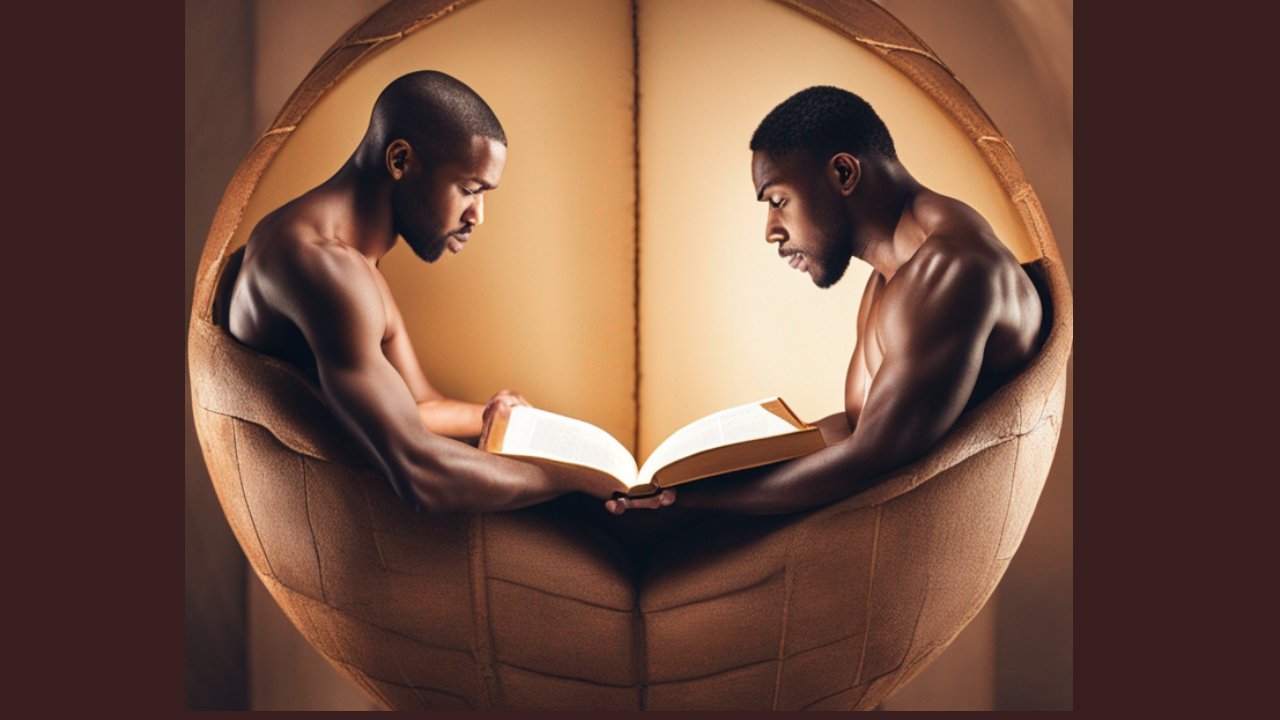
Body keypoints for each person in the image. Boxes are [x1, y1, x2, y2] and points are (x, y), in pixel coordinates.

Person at [606, 85, 1046, 515]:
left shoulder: (952, 270)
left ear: (843, 174)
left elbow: (871, 457)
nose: (771, 231)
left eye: (778, 201)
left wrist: (689, 503)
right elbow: (855, 427)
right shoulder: (890, 274)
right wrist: (702, 474)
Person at [224, 70, 611, 513]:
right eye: (468, 189)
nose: (477, 216)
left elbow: (419, 404)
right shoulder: (322, 267)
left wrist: (494, 415)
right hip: (330, 519)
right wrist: (571, 479)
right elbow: (420, 475)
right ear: (401, 161)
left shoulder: (348, 258)